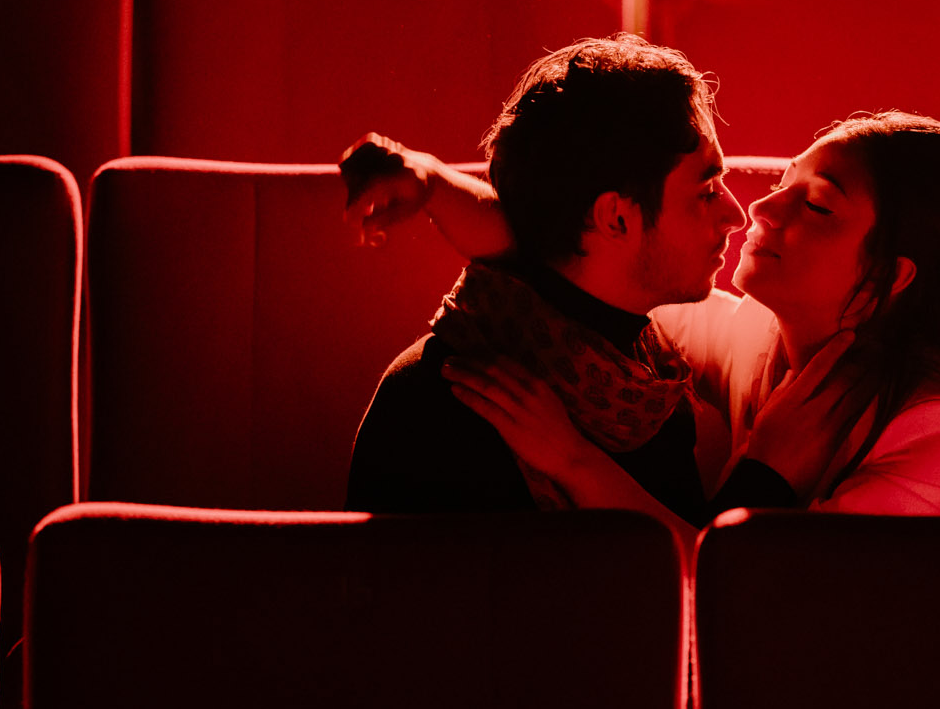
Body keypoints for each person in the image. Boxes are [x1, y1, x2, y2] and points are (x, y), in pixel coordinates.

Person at [348, 108, 940, 533]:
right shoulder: (761, 338)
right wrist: (431, 182)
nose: (759, 211)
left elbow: (749, 598)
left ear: (895, 274)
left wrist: (573, 460)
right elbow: (579, 250)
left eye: (817, 207)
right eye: (783, 184)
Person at [344, 35, 810, 543]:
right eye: (705, 192)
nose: (734, 215)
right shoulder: (454, 409)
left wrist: (432, 179)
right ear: (616, 218)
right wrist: (768, 477)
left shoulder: (644, 373)